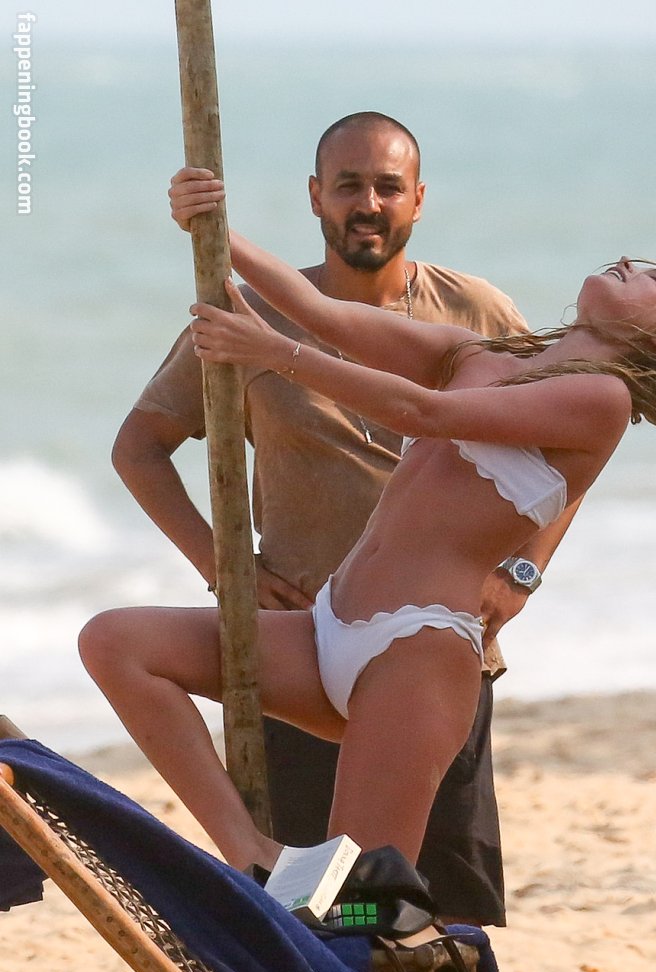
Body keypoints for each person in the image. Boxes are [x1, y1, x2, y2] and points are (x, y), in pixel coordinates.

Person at [79, 234, 656, 885]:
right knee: (117, 643)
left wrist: (273, 354)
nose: (632, 262)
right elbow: (319, 314)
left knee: (361, 897)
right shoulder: (477, 355)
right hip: (326, 628)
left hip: (417, 651)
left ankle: (378, 968)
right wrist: (216, 228)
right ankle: (248, 852)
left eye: (655, 280)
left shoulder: (600, 400)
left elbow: (423, 413)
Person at [113, 112, 573, 929]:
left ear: (418, 200)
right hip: (301, 649)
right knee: (318, 906)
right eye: (349, 185)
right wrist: (226, 569)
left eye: (388, 187)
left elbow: (562, 452)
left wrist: (521, 573)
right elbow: (140, 448)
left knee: (437, 905)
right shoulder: (252, 317)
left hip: (441, 648)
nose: (369, 204)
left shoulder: (475, 315)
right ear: (316, 196)